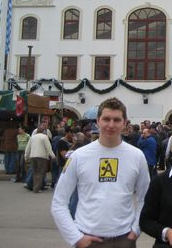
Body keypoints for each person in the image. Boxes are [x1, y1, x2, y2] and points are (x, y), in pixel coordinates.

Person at [52, 97, 150, 248]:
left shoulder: (137, 156)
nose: (111, 125)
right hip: (86, 237)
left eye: (117, 120)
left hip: (124, 239)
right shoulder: (79, 156)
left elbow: (145, 198)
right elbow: (59, 202)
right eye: (106, 119)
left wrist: (136, 230)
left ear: (125, 123)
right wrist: (76, 237)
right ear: (98, 121)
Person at [25, 127, 56, 193]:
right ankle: (36, 188)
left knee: (35, 172)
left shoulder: (32, 137)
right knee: (40, 173)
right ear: (43, 131)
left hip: (33, 156)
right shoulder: (45, 137)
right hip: (42, 157)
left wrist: (26, 156)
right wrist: (53, 156)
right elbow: (48, 147)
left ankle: (34, 186)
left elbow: (28, 147)